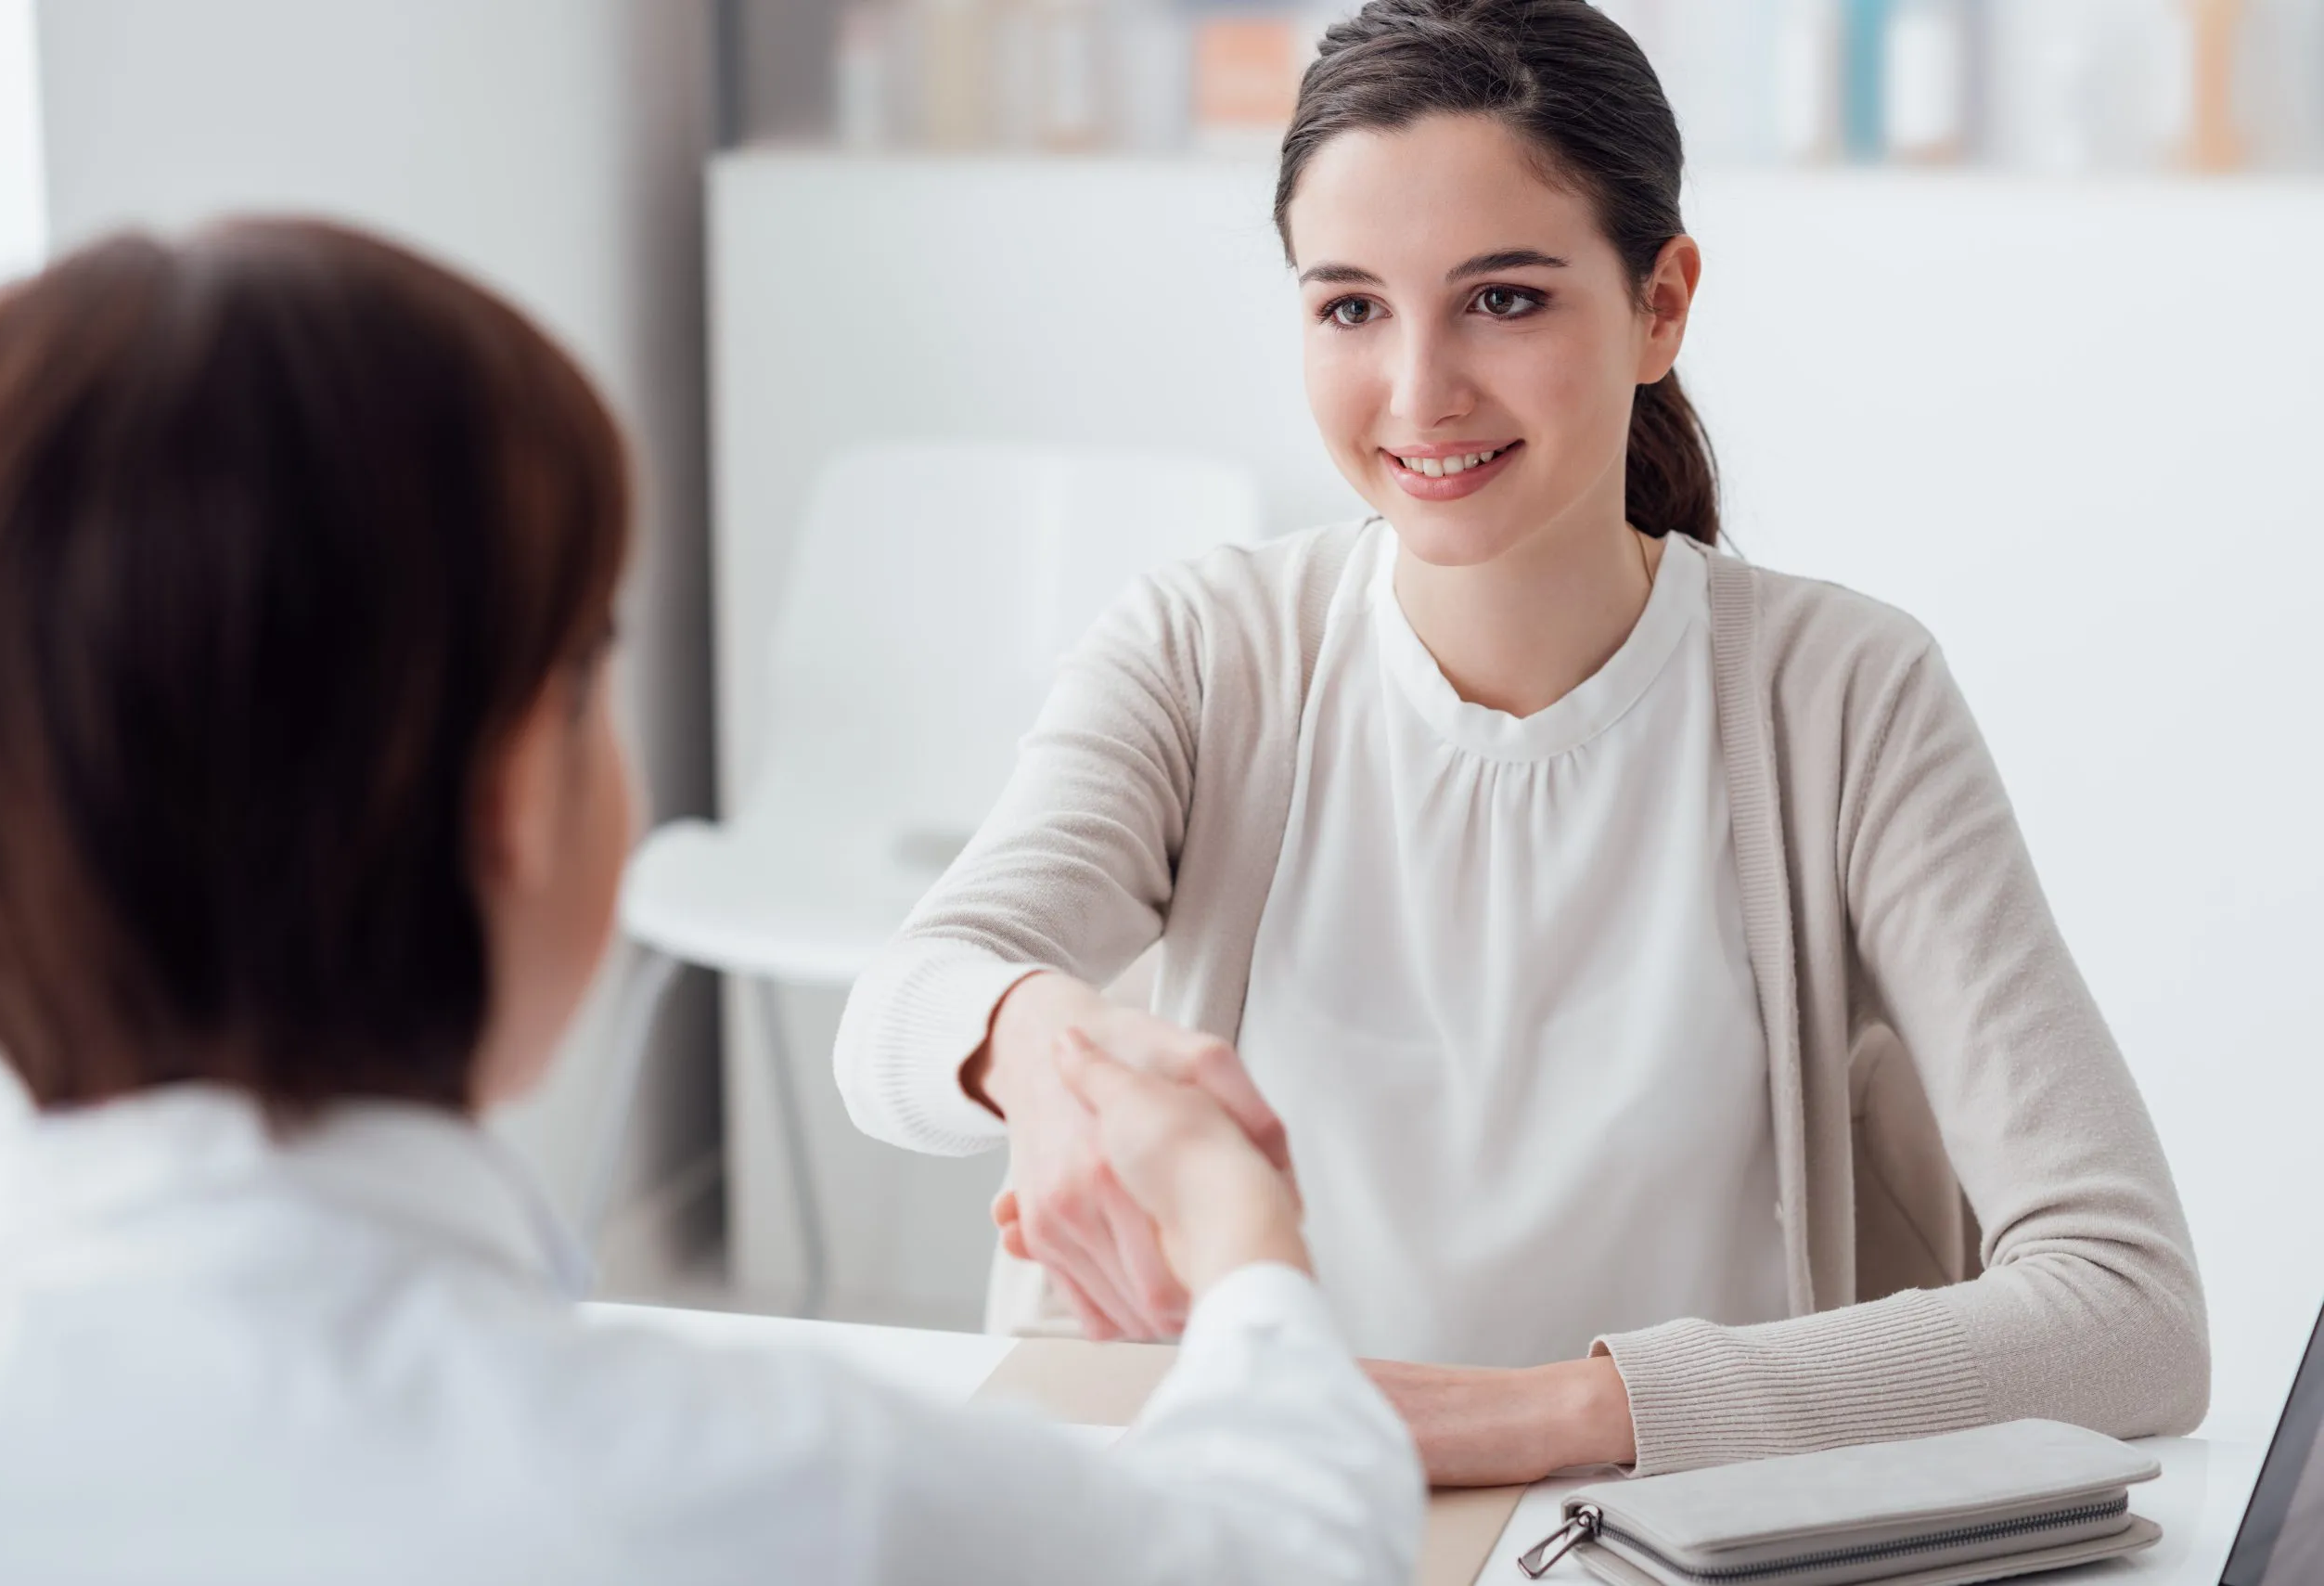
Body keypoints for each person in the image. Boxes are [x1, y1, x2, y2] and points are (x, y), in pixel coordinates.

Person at [835, 0, 2209, 1487]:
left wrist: (1549, 1417)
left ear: (1662, 304)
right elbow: (897, 1019)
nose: (1420, 391)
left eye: (1503, 299)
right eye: (1350, 306)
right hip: (1260, 1513)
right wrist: (1032, 1039)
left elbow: (2131, 1317)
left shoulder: (1842, 695)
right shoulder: (1205, 651)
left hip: (1670, 1537)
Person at [0, 220, 1422, 1583]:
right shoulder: (775, 1492)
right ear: (517, 788)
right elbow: (1286, 1552)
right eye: (591, 663)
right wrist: (1238, 1224)